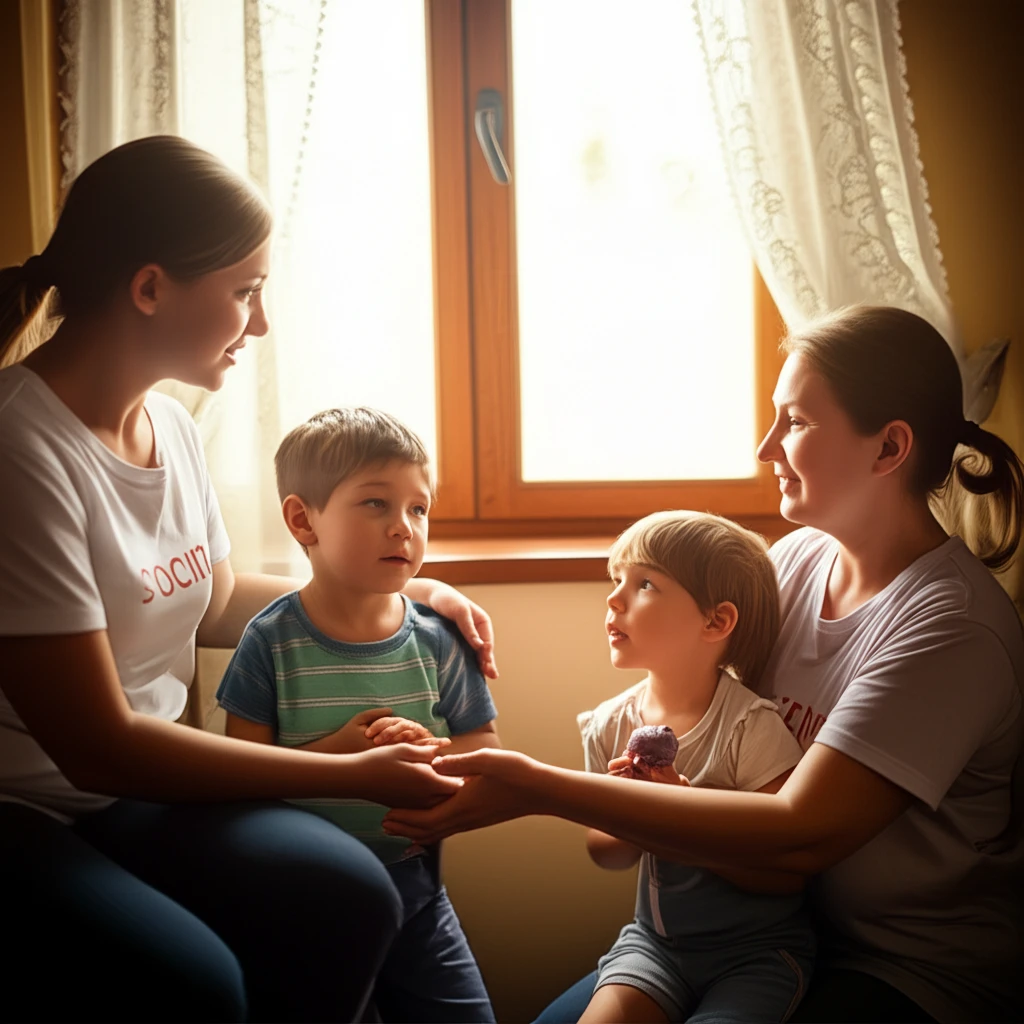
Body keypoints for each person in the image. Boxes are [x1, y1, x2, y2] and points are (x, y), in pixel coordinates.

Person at [384, 306, 1024, 1024]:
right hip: (756, 926)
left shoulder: (950, 629)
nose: (765, 446)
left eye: (797, 423)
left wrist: (539, 788)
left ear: (888, 448)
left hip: (906, 970)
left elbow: (798, 834)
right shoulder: (796, 564)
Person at [0, 135, 498, 1023]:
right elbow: (94, 745)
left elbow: (219, 598)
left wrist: (401, 592)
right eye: (244, 292)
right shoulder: (21, 451)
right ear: (149, 288)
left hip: (136, 793)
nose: (259, 325)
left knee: (355, 897)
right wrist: (339, 771)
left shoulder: (169, 427)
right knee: (198, 984)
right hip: (31, 809)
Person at [216, 406, 501, 1022]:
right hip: (302, 900)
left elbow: (488, 757)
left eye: (418, 509)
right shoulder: (269, 642)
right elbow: (241, 779)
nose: (403, 528)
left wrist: (432, 754)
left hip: (419, 892)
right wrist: (343, 758)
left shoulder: (439, 641)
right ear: (303, 520)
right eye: (376, 504)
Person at [576, 510, 814, 1023]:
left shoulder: (751, 726)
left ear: (716, 621)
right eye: (617, 581)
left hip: (756, 954)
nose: (614, 599)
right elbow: (605, 854)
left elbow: (784, 874)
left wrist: (679, 804)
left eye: (644, 584)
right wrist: (628, 805)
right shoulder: (608, 724)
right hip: (653, 948)